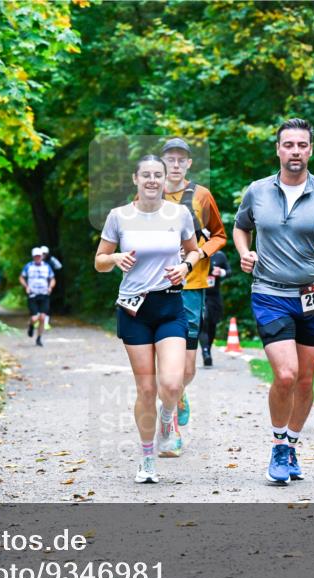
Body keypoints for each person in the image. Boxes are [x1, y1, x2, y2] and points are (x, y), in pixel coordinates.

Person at [233, 118, 314, 485]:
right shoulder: (257, 191)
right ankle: (277, 444)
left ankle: (292, 444)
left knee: (305, 380)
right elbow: (241, 226)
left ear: (311, 149)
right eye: (288, 145)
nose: (295, 151)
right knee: (286, 374)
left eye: (301, 145)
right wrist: (245, 252)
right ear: (278, 149)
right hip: (270, 293)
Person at [95, 155, 201, 483]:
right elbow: (99, 261)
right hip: (133, 310)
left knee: (171, 383)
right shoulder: (119, 217)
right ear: (136, 179)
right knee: (145, 388)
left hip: (169, 305)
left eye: (158, 175)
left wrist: (185, 267)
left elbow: (194, 250)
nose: (152, 180)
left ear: (166, 178)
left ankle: (168, 419)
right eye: (146, 175)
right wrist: (114, 257)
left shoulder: (179, 214)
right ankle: (146, 459)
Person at [158, 138, 226, 453]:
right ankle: (169, 426)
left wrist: (200, 253)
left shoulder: (201, 196)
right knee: (165, 363)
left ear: (188, 164)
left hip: (192, 286)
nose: (175, 163)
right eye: (169, 158)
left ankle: (179, 392)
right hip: (157, 286)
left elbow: (220, 235)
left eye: (180, 159)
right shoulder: (149, 193)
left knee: (186, 368)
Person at [198, 250, 231, 367]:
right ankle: (205, 352)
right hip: (199, 293)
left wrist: (221, 272)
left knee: (212, 324)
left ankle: (208, 350)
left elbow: (229, 271)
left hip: (214, 296)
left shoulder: (219, 255)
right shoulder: (196, 253)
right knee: (204, 321)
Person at [19, 247, 55, 347]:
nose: (38, 258)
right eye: (36, 256)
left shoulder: (47, 267)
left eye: (39, 256)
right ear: (33, 257)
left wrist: (50, 287)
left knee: (43, 318)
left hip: (44, 294)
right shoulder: (28, 267)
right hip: (33, 295)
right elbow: (21, 277)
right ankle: (31, 325)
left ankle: (39, 338)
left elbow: (52, 279)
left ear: (42, 256)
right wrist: (26, 286)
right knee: (35, 318)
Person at [40, 246, 62, 330]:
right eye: (42, 253)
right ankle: (40, 320)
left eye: (44, 253)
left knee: (47, 303)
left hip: (49, 285)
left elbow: (59, 266)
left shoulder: (51, 260)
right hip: (39, 285)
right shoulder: (37, 261)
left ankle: (46, 322)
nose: (43, 255)